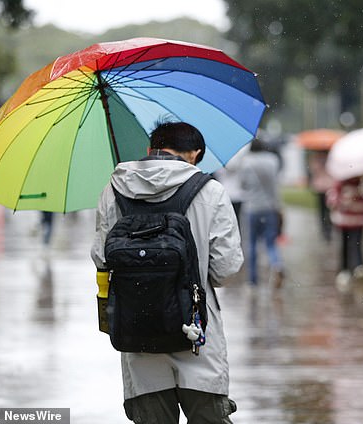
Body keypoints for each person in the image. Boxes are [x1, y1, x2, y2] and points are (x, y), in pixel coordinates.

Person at [90, 121, 243, 424]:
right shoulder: (210, 191)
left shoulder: (114, 189)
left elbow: (101, 258)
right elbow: (225, 269)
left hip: (137, 334)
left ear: (150, 150)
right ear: (195, 154)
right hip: (197, 335)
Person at [239, 138, 285, 287]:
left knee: (251, 244)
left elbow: (243, 184)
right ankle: (276, 264)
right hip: (270, 208)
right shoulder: (273, 160)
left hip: (252, 208)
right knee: (271, 243)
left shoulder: (246, 162)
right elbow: (276, 183)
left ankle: (252, 281)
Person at [326, 175, 363, 289]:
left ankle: (359, 266)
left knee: (356, 242)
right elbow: (332, 197)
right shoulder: (341, 182)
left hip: (358, 218)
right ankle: (345, 269)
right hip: (345, 219)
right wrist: (340, 201)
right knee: (346, 244)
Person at [307, 150, 334, 241]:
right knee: (325, 209)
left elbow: (313, 170)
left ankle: (326, 228)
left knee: (324, 209)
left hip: (323, 186)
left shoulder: (317, 158)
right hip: (325, 186)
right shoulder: (328, 158)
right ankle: (326, 228)